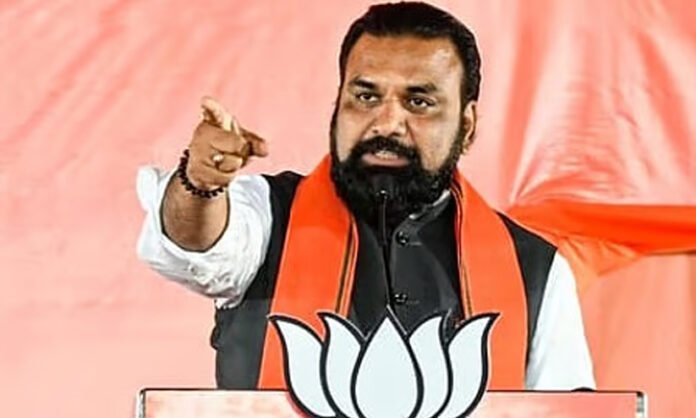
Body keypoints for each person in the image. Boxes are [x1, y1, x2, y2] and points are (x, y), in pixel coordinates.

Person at [136, 2, 594, 391]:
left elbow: (566, 413)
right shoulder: (270, 215)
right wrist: (201, 183)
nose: (387, 124)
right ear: (338, 104)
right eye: (366, 97)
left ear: (467, 126)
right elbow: (197, 243)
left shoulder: (535, 268)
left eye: (418, 102)